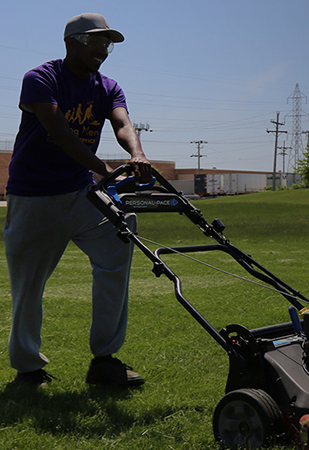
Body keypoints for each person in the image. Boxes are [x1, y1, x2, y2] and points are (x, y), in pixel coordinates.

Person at [4, 13, 152, 387]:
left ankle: (104, 360)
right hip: (35, 195)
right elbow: (61, 131)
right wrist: (105, 169)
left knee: (121, 234)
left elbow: (122, 123)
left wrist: (137, 155)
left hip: (81, 193)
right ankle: (28, 368)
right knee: (28, 285)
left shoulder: (107, 86)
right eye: (96, 42)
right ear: (72, 42)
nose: (103, 50)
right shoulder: (41, 78)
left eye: (108, 43)